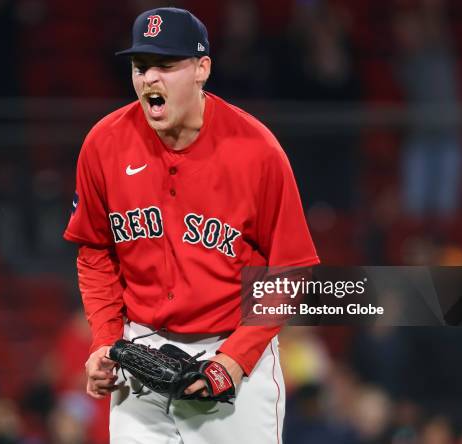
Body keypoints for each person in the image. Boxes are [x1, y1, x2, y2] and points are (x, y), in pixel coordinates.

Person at [64, 7, 319, 443]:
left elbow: (290, 271)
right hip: (139, 351)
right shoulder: (103, 145)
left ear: (202, 69)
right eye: (140, 67)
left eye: (166, 65)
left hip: (231, 351)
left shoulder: (257, 152)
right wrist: (105, 340)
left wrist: (234, 360)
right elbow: (95, 252)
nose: (149, 79)